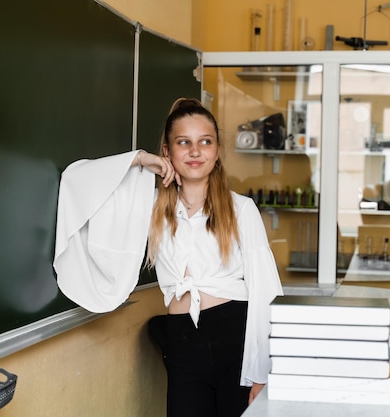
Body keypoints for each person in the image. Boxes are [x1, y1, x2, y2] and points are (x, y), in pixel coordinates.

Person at [54, 98, 283, 417]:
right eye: (183, 142)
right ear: (167, 151)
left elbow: (265, 291)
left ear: (217, 151)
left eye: (206, 142)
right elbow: (76, 179)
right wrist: (140, 160)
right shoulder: (148, 207)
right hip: (183, 340)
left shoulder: (241, 209)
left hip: (237, 338)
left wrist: (263, 372)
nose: (195, 151)